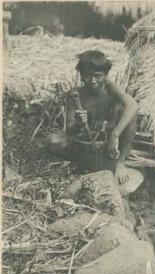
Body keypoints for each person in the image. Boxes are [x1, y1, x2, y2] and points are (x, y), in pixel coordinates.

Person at [47, 50, 138, 184]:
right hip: (86, 140)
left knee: (130, 117)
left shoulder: (110, 88)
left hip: (108, 137)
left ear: (106, 75)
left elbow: (133, 105)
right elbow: (70, 131)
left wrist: (115, 135)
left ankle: (120, 162)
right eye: (88, 75)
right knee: (53, 141)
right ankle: (83, 162)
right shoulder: (75, 94)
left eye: (98, 76)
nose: (93, 81)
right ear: (81, 75)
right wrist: (78, 122)